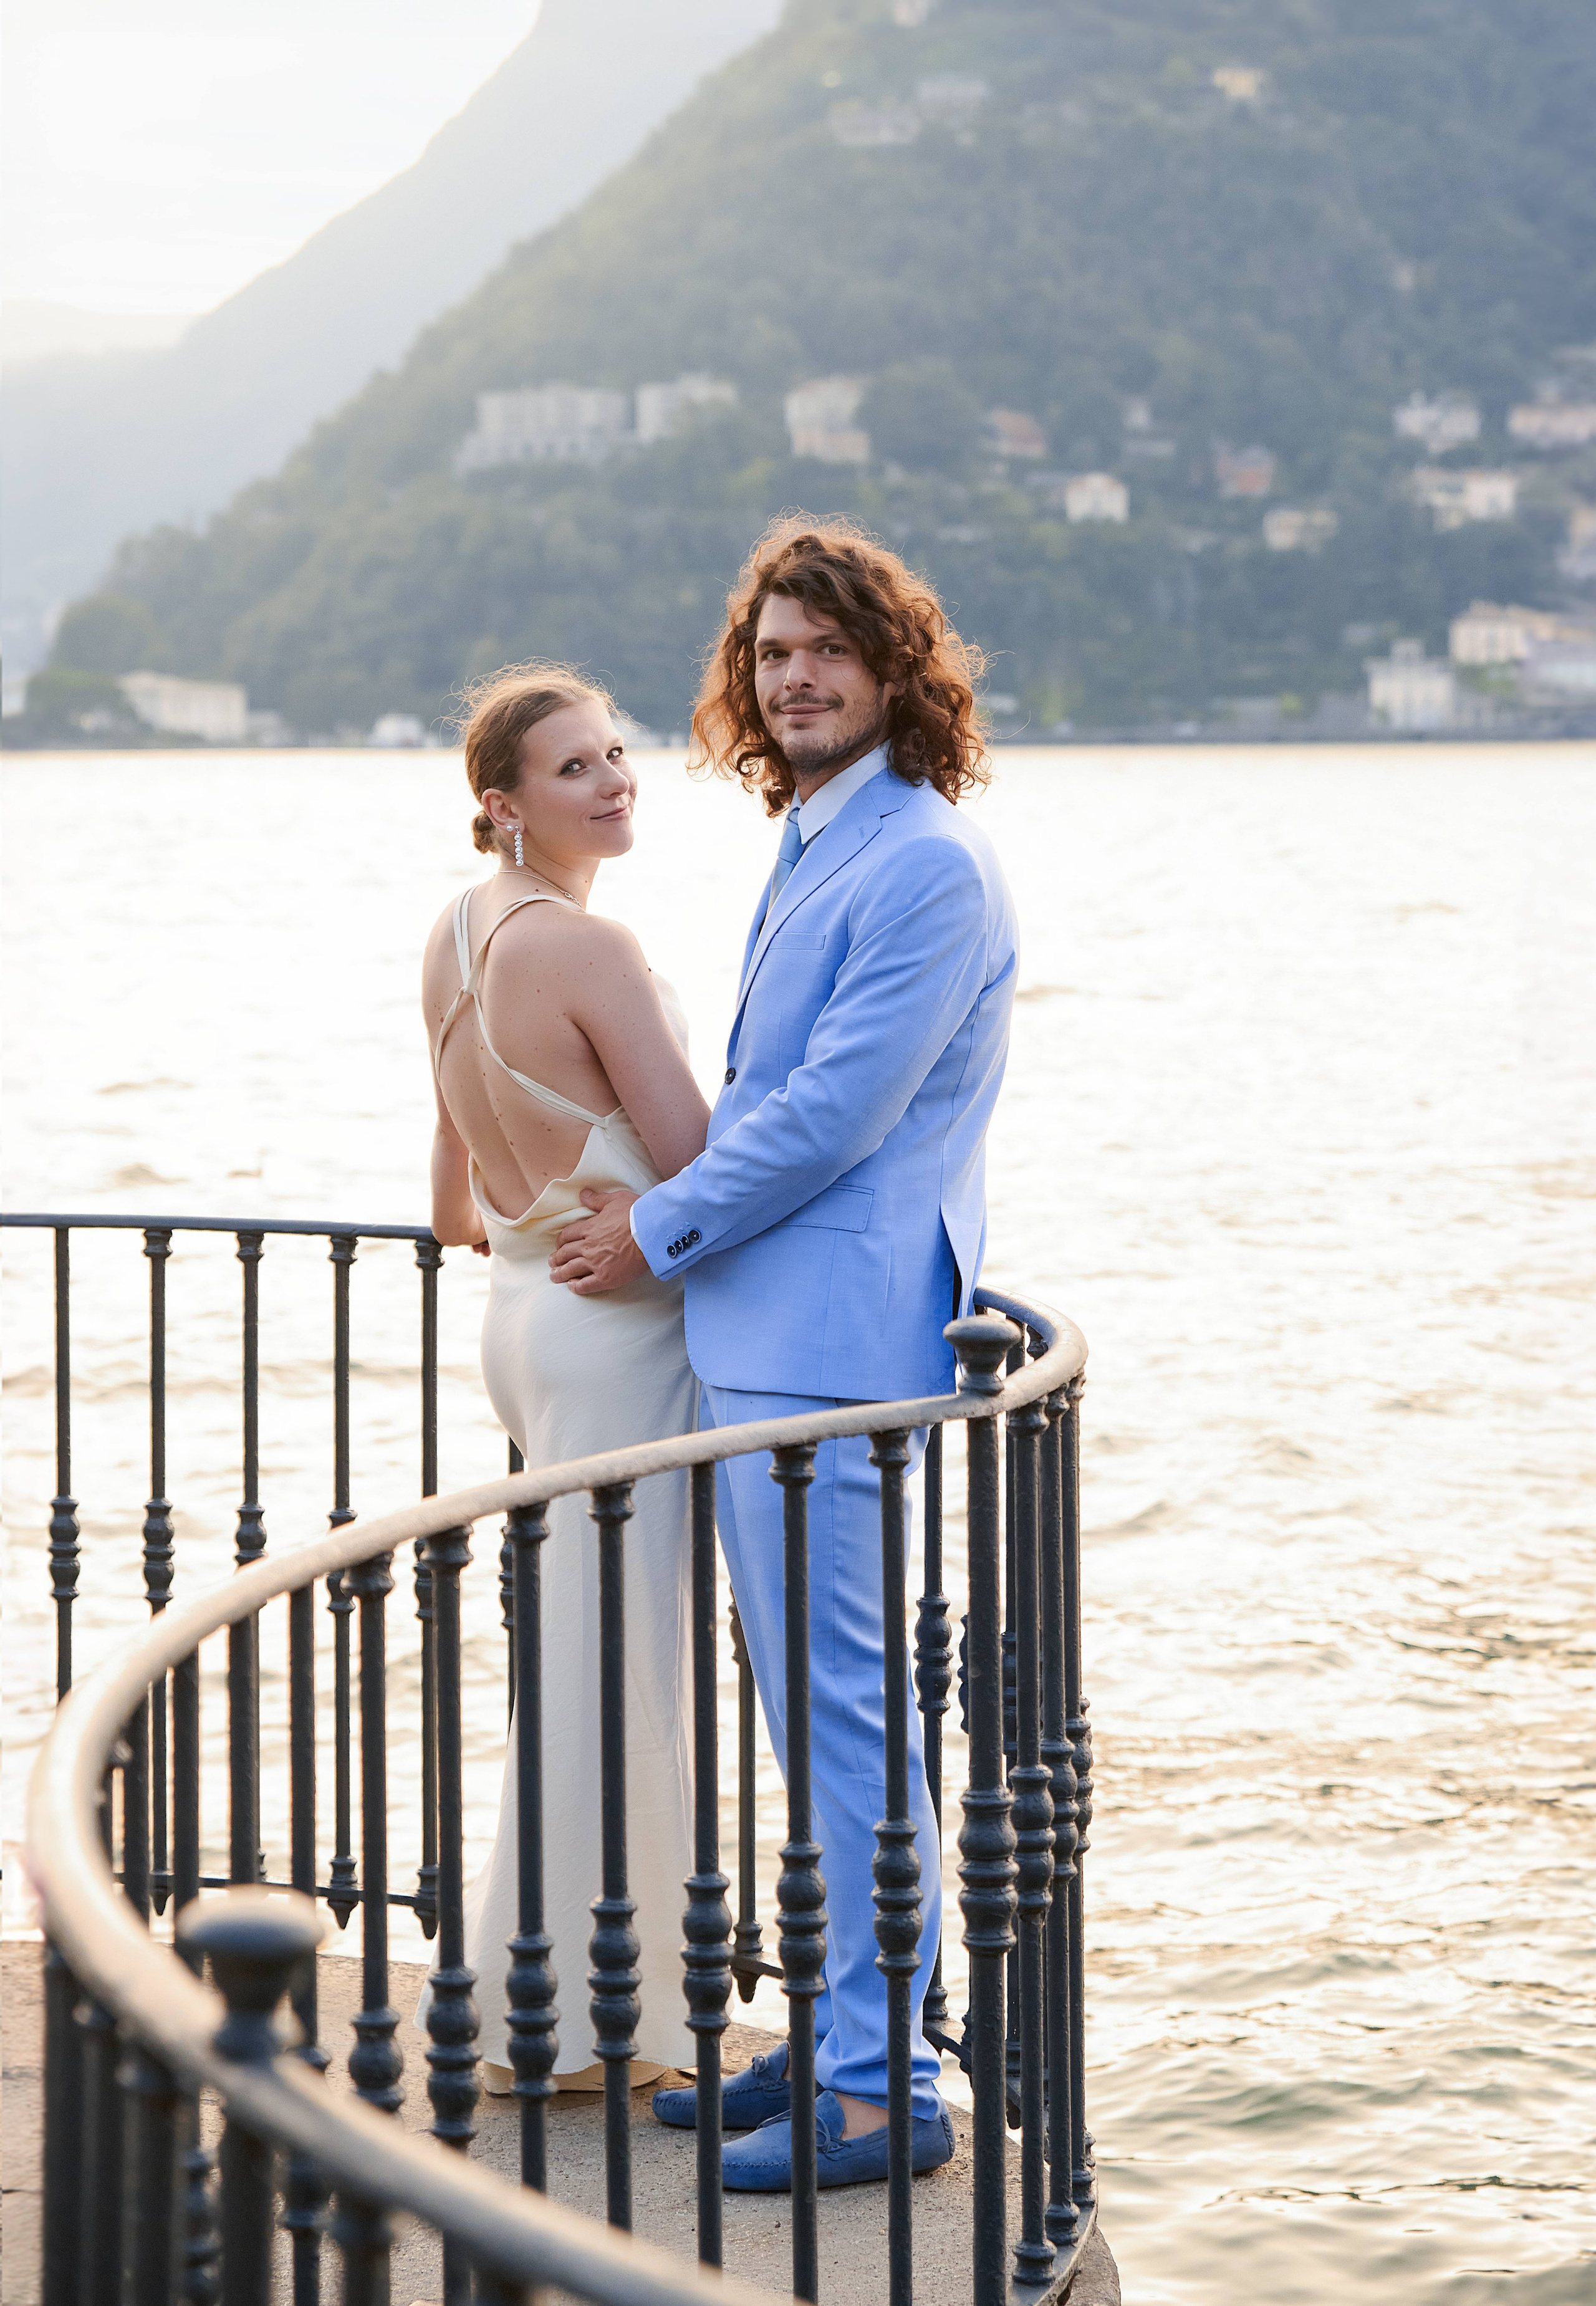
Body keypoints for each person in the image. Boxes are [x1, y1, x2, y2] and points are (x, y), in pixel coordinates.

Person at [550, 516, 1018, 2188]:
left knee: (843, 1709)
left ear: (896, 672)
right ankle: (828, 2042)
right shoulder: (821, 837)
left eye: (825, 648)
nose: (794, 674)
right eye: (770, 654)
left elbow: (830, 1114)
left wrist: (650, 1230)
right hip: (774, 1340)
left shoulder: (925, 860)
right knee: (810, 1707)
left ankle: (889, 2086)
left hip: (826, 1345)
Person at [418, 664, 710, 2092]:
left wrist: (554, 1204)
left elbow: (453, 1210)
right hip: (612, 1334)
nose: (611, 782)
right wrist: (633, 1220)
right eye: (573, 767)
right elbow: (704, 1162)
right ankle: (594, 2026)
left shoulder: (456, 934)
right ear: (504, 804)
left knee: (581, 1664)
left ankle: (568, 2005)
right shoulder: (593, 955)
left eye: (616, 753)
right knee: (620, 1673)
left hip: (523, 1323)